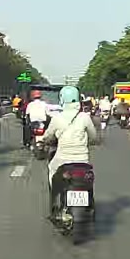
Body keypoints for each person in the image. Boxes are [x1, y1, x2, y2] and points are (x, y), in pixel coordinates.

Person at [41, 86, 102, 216]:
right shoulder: (84, 117)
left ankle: (55, 203)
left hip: (62, 160)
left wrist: (44, 141)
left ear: (62, 99)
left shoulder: (57, 118)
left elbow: (48, 136)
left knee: (52, 169)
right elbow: (93, 136)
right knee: (88, 180)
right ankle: (89, 203)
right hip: (82, 160)